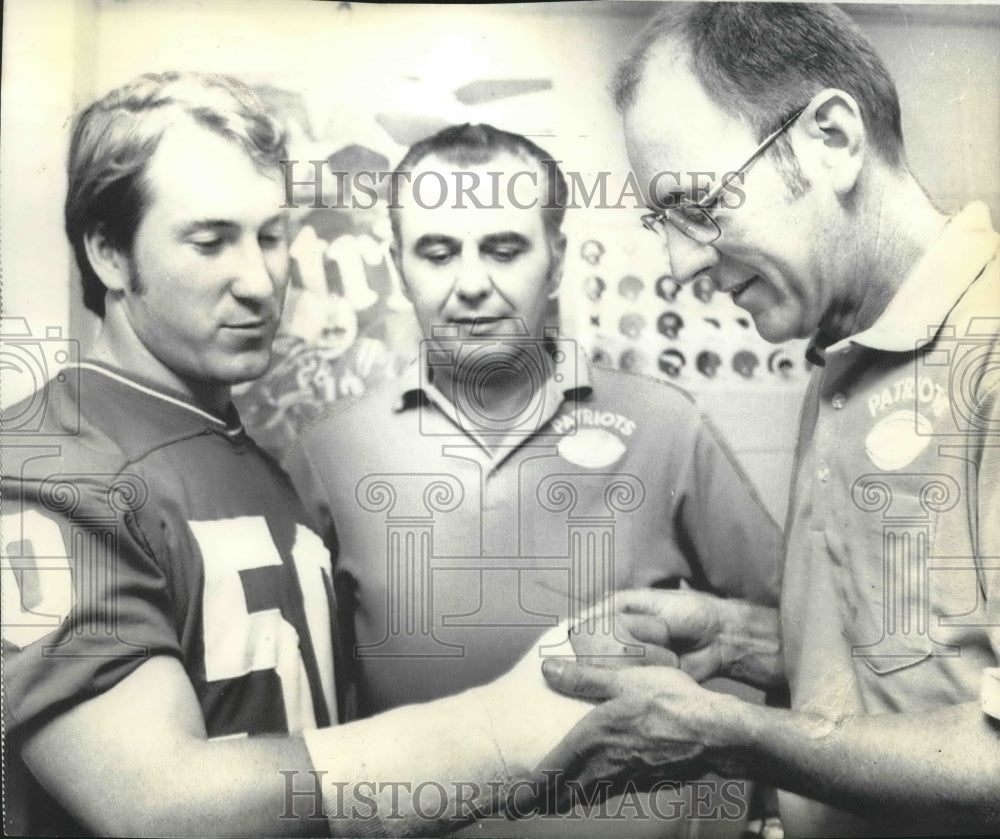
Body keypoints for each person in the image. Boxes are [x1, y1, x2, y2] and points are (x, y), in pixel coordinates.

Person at [0, 71, 598, 838]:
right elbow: (155, 802)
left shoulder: (253, 453)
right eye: (212, 240)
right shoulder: (44, 464)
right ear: (110, 254)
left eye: (272, 235)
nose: (259, 280)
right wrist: (501, 731)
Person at [526, 4, 1000, 836]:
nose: (680, 265)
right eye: (663, 223)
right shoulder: (846, 348)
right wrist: (744, 640)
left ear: (831, 139)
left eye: (699, 205)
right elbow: (935, 666)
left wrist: (733, 734)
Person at [284, 122, 784, 832]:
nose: (472, 284)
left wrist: (749, 808)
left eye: (503, 248)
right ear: (398, 265)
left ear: (555, 259)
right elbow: (311, 709)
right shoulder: (328, 455)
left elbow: (791, 633)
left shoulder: (666, 425)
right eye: (437, 251)